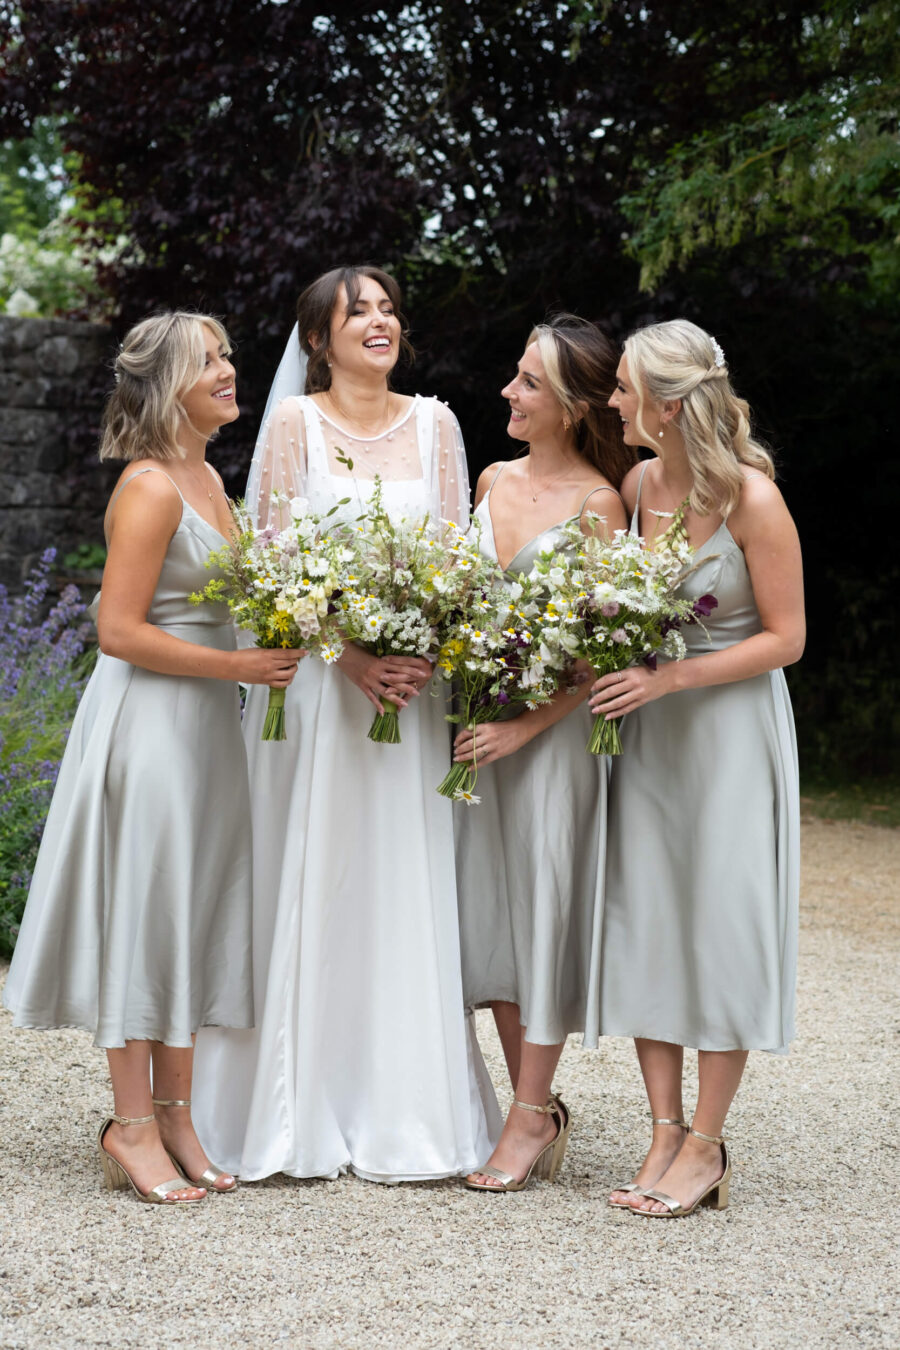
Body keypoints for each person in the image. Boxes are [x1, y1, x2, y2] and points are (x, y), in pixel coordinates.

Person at [192, 266, 501, 1182]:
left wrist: (422, 653)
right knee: (311, 868)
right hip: (325, 694)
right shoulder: (294, 426)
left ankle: (409, 1110)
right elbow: (274, 566)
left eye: (389, 308)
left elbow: (457, 562)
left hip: (410, 696)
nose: (380, 321)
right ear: (318, 341)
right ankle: (293, 1108)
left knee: (401, 876)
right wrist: (353, 656)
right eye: (356, 311)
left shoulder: (438, 424)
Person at [2, 311, 303, 1204]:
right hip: (153, 727)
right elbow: (118, 631)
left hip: (210, 730)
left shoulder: (210, 477)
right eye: (211, 359)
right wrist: (241, 664)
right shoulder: (150, 488)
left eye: (227, 354)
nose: (229, 368)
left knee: (195, 909)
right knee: (146, 911)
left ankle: (179, 1114)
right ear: (170, 381)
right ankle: (130, 1126)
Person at [590, 319, 804, 1217]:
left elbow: (786, 638)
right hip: (649, 738)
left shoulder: (751, 498)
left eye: (625, 387)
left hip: (723, 734)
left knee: (717, 921)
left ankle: (708, 1144)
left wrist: (673, 674)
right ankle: (663, 1131)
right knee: (648, 919)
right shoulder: (638, 483)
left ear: (668, 407)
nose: (610, 401)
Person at [454, 315, 635, 1192]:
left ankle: (529, 1116)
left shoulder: (602, 504)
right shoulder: (489, 478)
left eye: (527, 382)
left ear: (568, 404)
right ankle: (535, 1105)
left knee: (542, 911)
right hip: (473, 727)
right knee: (485, 916)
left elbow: (610, 651)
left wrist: (523, 725)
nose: (509, 393)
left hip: (552, 741)